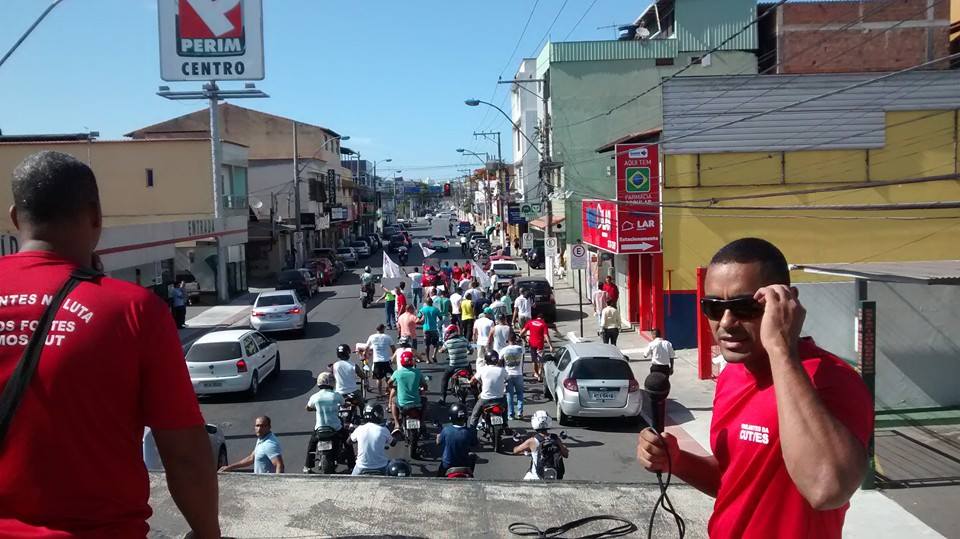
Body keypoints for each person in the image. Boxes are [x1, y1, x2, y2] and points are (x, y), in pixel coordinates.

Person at [0, 151, 219, 537]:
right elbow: (184, 455)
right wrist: (207, 533)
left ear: (16, 216)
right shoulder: (134, 311)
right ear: (96, 217)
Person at [635, 238, 873, 538]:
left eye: (745, 307)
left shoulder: (833, 380)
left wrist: (781, 350)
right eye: (714, 307)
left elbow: (827, 489)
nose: (726, 322)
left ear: (786, 303)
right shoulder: (732, 375)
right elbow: (735, 481)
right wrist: (678, 461)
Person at [302, 373, 346, 473]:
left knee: (311, 445)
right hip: (335, 428)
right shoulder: (336, 395)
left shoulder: (315, 397)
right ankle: (352, 464)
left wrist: (316, 408)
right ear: (332, 382)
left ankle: (307, 466)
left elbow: (308, 408)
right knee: (347, 442)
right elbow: (344, 403)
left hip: (320, 429)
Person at [513, 411, 569, 481]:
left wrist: (525, 451)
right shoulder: (556, 438)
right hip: (555, 477)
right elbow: (566, 455)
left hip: (536, 477)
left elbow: (515, 451)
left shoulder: (532, 441)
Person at [388, 350, 429, 436]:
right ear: (412, 361)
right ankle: (422, 422)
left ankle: (397, 424)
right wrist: (422, 389)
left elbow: (389, 383)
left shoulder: (397, 373)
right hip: (416, 404)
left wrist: (394, 387)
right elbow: (425, 386)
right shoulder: (417, 372)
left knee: (393, 401)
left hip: (403, 405)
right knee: (425, 401)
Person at [350, 404, 395, 475]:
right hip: (381, 467)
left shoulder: (359, 429)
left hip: (361, 467)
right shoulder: (383, 430)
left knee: (351, 483)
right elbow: (393, 443)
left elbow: (349, 441)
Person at [436, 403, 478, 477]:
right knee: (473, 456)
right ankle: (471, 474)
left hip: (447, 465)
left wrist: (438, 436)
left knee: (438, 479)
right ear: (465, 418)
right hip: (465, 465)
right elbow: (474, 443)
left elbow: (438, 443)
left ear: (451, 417)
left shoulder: (446, 430)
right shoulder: (469, 432)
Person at [469, 350, 509, 428]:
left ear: (486, 360)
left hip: (485, 400)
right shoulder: (502, 370)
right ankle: (505, 424)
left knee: (475, 416)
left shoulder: (482, 369)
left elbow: (473, 380)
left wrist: (470, 382)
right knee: (505, 409)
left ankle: (472, 431)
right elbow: (507, 379)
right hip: (500, 399)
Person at [439, 324, 474, 404]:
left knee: (444, 379)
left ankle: (443, 398)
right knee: (472, 378)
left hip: (453, 366)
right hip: (465, 365)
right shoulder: (464, 339)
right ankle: (476, 395)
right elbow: (471, 350)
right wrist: (468, 352)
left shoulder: (447, 342)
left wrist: (441, 351)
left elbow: (441, 350)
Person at [520, 311, 553, 383]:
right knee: (541, 360)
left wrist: (523, 337)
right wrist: (550, 345)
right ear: (543, 318)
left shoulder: (530, 322)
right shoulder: (543, 324)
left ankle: (537, 374)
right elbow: (546, 335)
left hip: (532, 344)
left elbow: (522, 332)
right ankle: (540, 374)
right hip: (540, 345)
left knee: (534, 360)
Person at [364, 324, 396, 395]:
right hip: (386, 360)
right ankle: (387, 390)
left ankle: (380, 392)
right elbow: (393, 349)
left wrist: (365, 355)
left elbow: (366, 348)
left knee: (379, 379)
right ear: (383, 329)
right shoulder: (388, 337)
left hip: (377, 361)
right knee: (388, 376)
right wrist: (393, 357)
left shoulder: (372, 337)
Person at [500, 334, 526, 420]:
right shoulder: (521, 349)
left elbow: (500, 362)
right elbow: (523, 358)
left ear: (508, 340)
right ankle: (520, 412)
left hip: (508, 374)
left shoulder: (504, 350)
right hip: (519, 374)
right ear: (515, 339)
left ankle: (511, 414)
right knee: (520, 394)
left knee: (509, 395)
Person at [417, 297, 442, 362]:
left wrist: (423, 319)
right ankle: (434, 355)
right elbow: (440, 318)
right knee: (436, 344)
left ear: (426, 303)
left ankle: (428, 359)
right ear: (432, 303)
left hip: (426, 329)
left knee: (427, 345)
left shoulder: (422, 309)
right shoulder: (436, 309)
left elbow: (418, 317)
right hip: (434, 329)